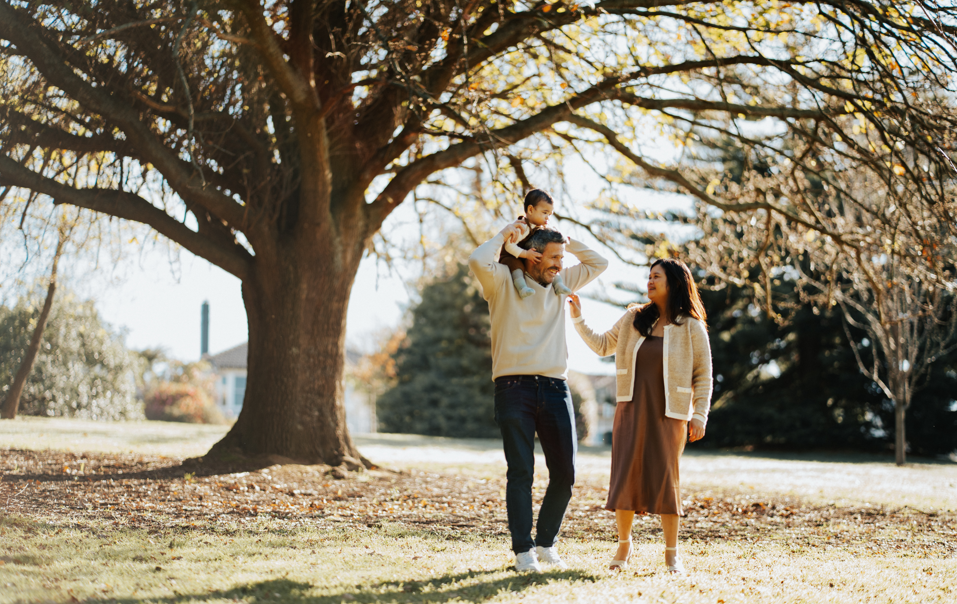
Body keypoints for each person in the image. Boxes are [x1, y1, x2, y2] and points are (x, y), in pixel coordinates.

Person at [469, 221, 608, 573]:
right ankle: (523, 550)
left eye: (562, 258)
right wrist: (505, 238)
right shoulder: (501, 281)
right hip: (513, 387)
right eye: (553, 257)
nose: (560, 264)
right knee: (521, 471)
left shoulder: (561, 284)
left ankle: (546, 543)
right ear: (533, 257)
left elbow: (599, 264)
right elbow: (476, 260)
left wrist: (568, 243)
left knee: (565, 472)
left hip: (554, 386)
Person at [567, 258, 713, 575]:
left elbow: (703, 375)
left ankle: (672, 554)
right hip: (630, 409)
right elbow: (603, 345)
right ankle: (624, 545)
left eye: (656, 277)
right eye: (648, 276)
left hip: (670, 414)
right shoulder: (634, 317)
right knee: (625, 477)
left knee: (665, 480)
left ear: (674, 283)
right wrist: (578, 318)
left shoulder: (691, 326)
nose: (649, 281)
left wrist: (699, 414)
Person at [500, 189, 573, 298]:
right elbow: (509, 246)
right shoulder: (522, 227)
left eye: (550, 214)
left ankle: (558, 285)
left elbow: (553, 234)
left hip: (526, 255)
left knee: (552, 264)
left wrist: (562, 237)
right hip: (511, 256)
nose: (548, 217)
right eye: (544, 213)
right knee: (517, 267)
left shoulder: (540, 226)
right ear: (530, 210)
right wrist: (526, 254)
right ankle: (522, 288)